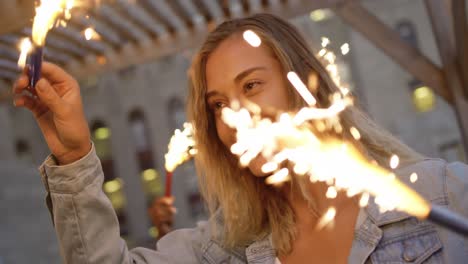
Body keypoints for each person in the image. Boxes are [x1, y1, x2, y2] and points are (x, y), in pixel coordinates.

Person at [12, 13, 468, 263]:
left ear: (303, 87)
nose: (234, 117)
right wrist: (73, 155)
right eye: (217, 105)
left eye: (251, 86)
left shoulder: (441, 193)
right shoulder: (223, 251)